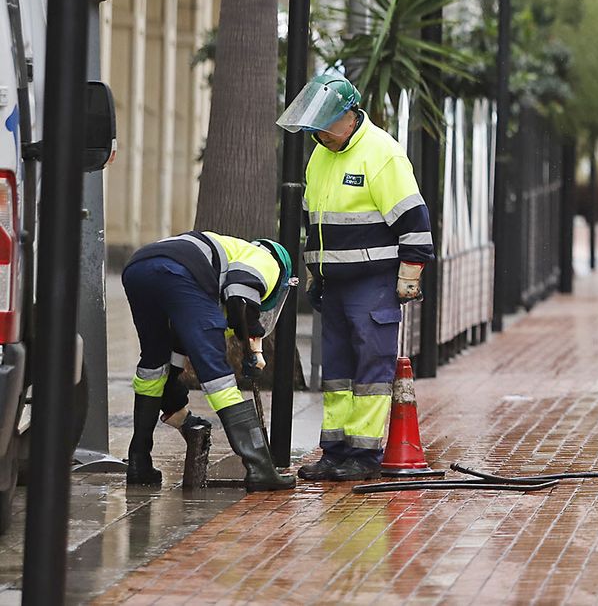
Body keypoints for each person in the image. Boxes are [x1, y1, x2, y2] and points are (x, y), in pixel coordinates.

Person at [278, 71, 434, 482]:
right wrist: (315, 272)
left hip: (374, 282)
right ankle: (334, 451)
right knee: (337, 371)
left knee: (371, 366)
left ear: (350, 116)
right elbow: (315, 220)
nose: (320, 134)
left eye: (326, 124)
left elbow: (414, 220)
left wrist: (409, 275)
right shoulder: (321, 154)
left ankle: (364, 455)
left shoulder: (382, 153)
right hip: (334, 282)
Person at [121, 231, 297, 492]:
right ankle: (260, 469)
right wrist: (251, 344)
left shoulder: (229, 255)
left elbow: (177, 351)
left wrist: (176, 404)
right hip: (177, 270)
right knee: (217, 374)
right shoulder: (267, 261)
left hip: (139, 268)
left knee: (154, 363)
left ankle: (139, 462)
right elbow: (240, 295)